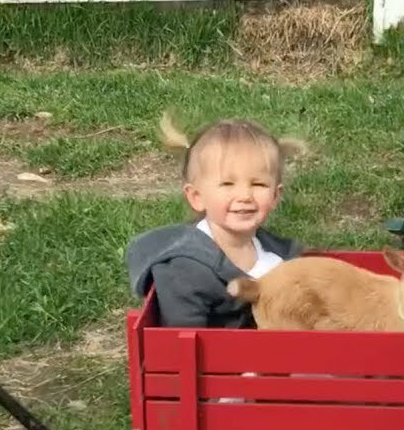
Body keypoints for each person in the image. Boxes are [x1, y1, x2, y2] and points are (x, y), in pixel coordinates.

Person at [126, 111, 307, 328]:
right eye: (227, 184)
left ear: (276, 196)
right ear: (197, 197)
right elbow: (181, 342)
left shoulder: (276, 256)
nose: (245, 196)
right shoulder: (185, 270)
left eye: (258, 184)